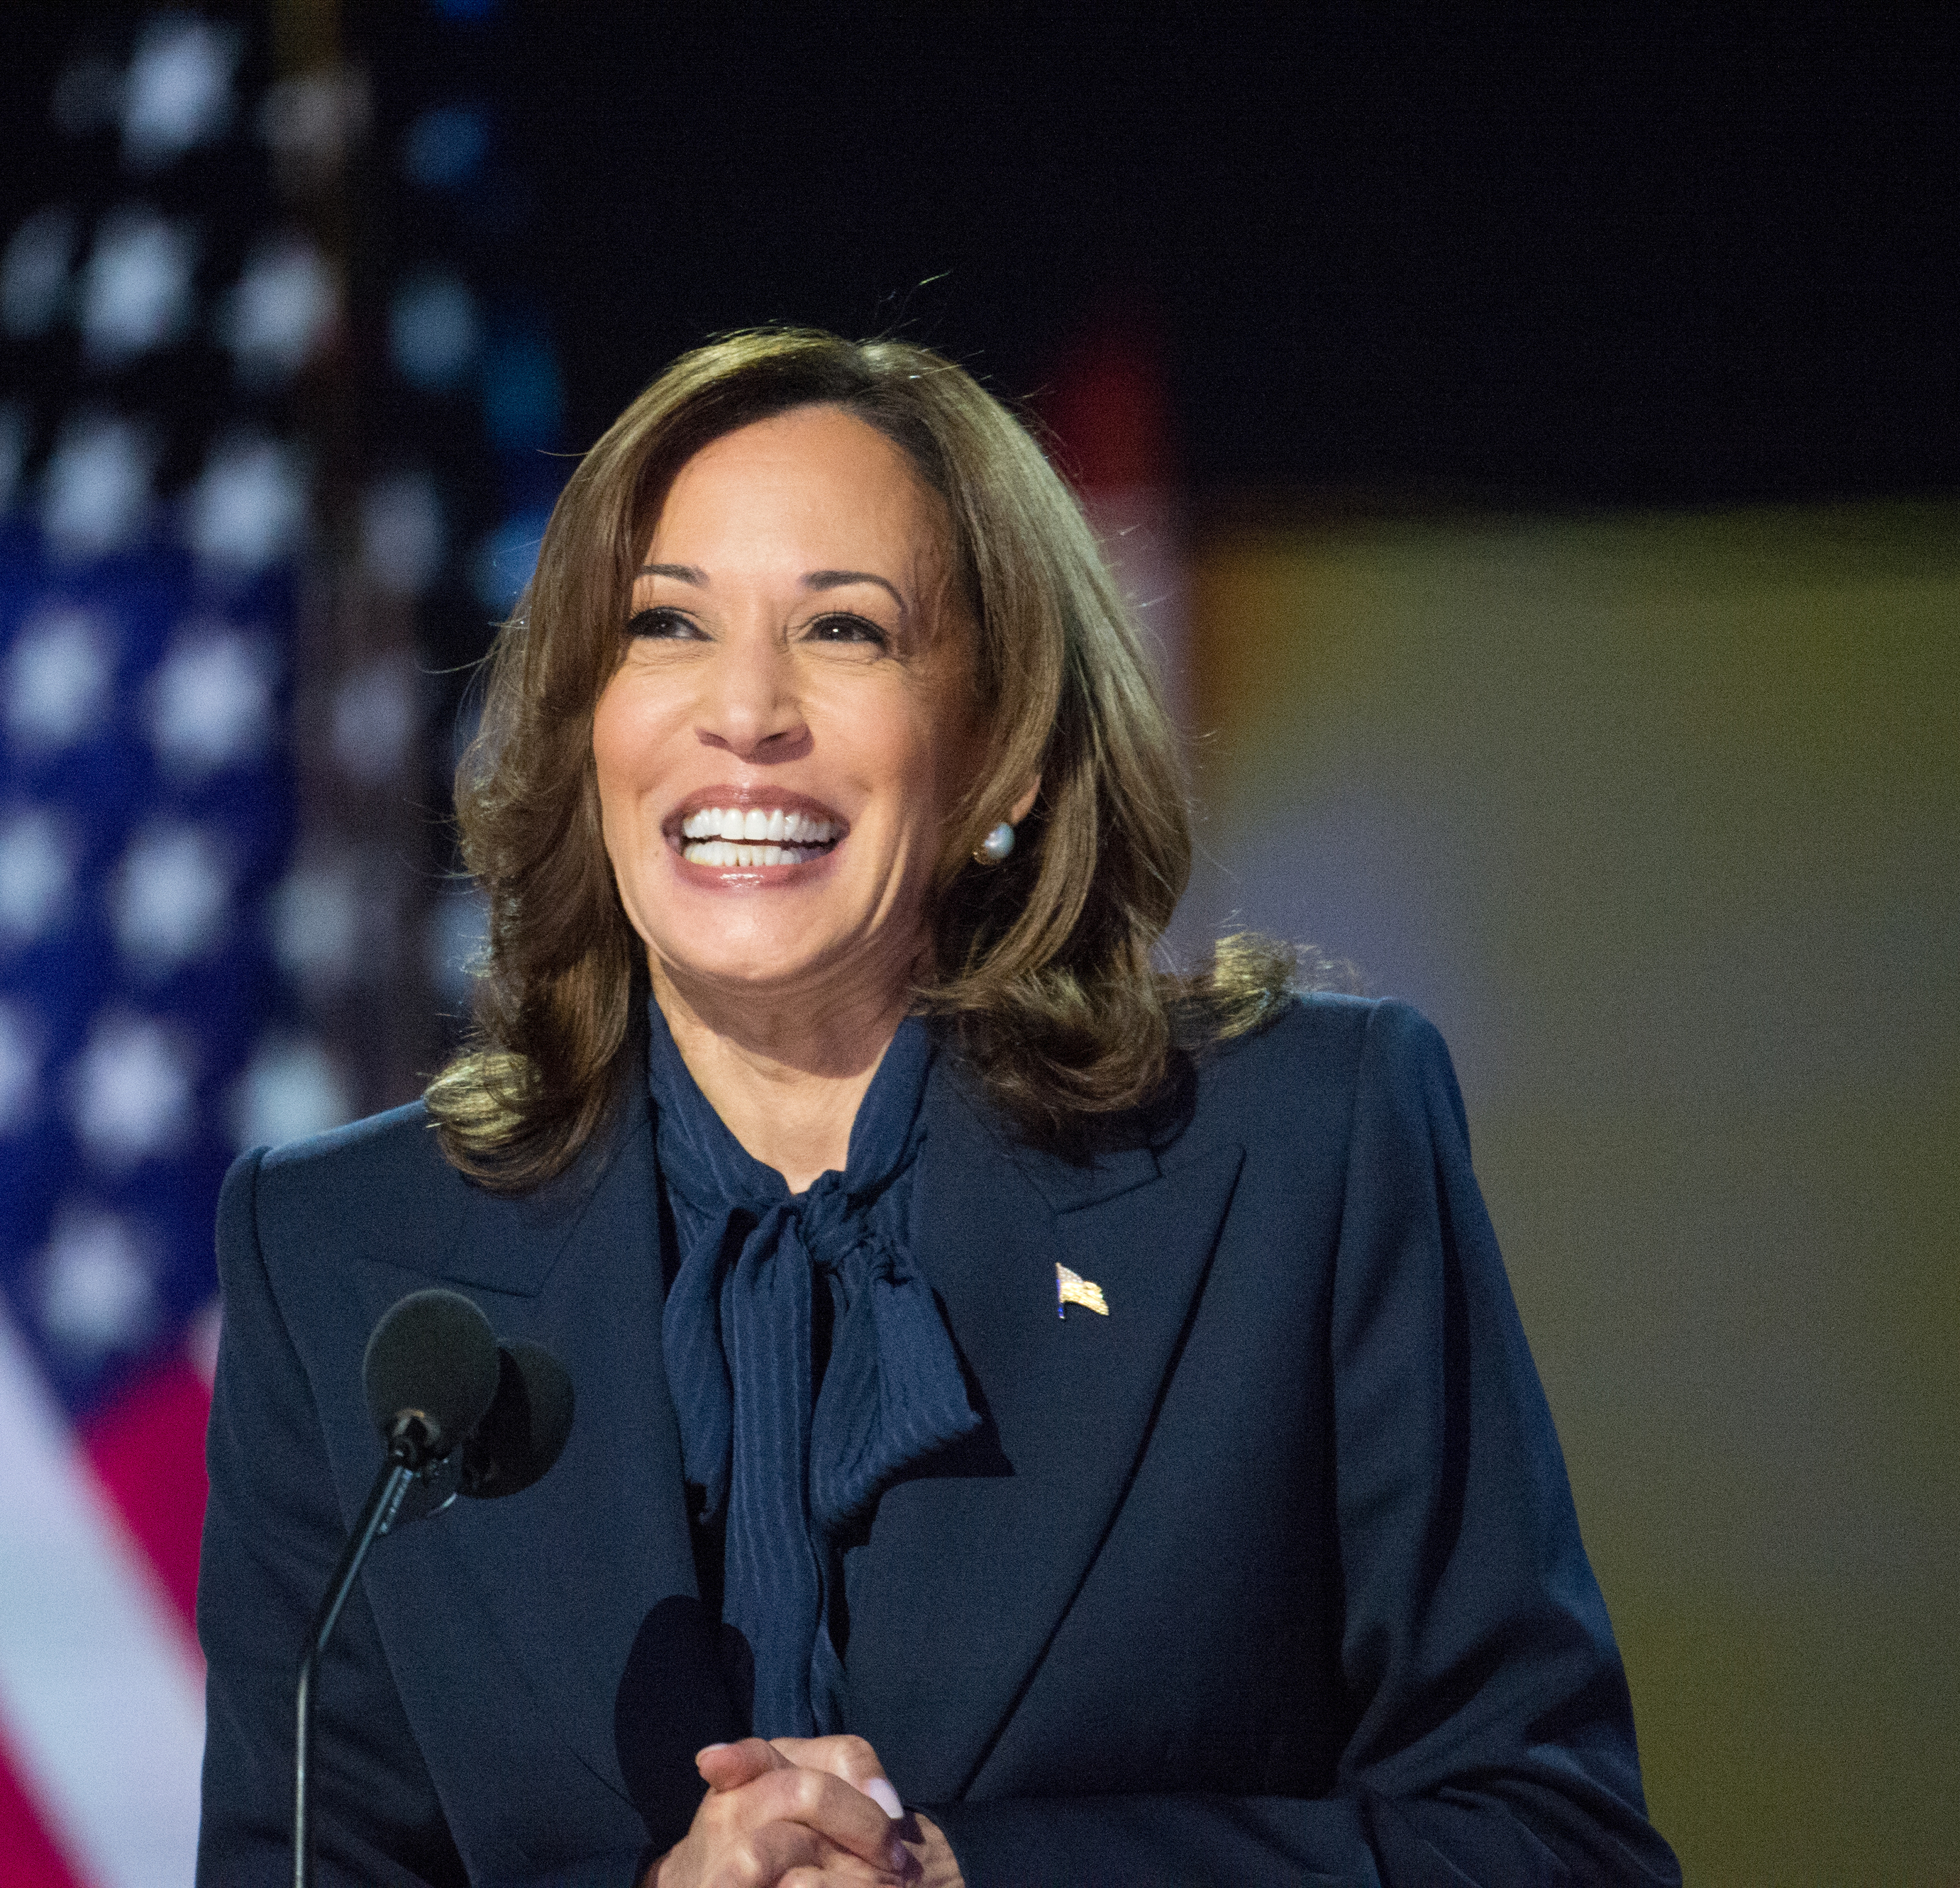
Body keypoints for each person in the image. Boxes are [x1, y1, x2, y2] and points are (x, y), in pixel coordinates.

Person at [196, 329, 1681, 1887]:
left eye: (843, 630)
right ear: (584, 725)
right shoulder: (343, 1252)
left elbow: (1548, 1842)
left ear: (1003, 757)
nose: (744, 712)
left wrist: (970, 1874)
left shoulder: (1304, 1148)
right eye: (665, 627)